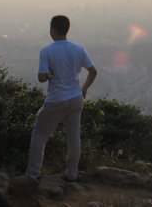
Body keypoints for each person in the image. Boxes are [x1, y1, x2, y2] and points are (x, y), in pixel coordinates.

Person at [26, 15, 98, 181]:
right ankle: (72, 174)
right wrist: (84, 88)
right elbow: (93, 71)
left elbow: (42, 77)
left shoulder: (46, 51)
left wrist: (52, 73)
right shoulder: (79, 49)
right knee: (73, 137)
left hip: (56, 100)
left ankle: (33, 174)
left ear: (52, 30)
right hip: (75, 98)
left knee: (40, 135)